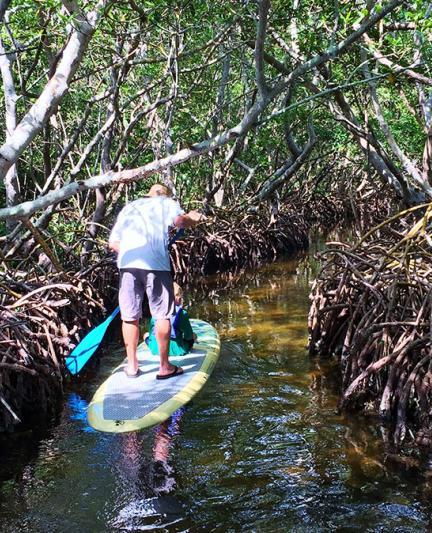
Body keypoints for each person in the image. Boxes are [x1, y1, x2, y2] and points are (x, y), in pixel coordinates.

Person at [108, 183, 204, 379]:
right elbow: (179, 221)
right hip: (156, 265)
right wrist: (194, 217)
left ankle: (132, 367)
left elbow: (113, 243)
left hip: (127, 264)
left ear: (148, 195)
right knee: (162, 314)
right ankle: (164, 366)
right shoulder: (167, 204)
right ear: (166, 197)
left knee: (129, 316)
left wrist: (131, 252)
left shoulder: (130, 207)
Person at [145, 283, 197, 357]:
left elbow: (151, 334)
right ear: (178, 298)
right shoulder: (182, 313)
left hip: (156, 350)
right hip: (177, 350)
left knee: (146, 335)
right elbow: (188, 336)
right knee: (194, 335)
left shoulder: (155, 310)